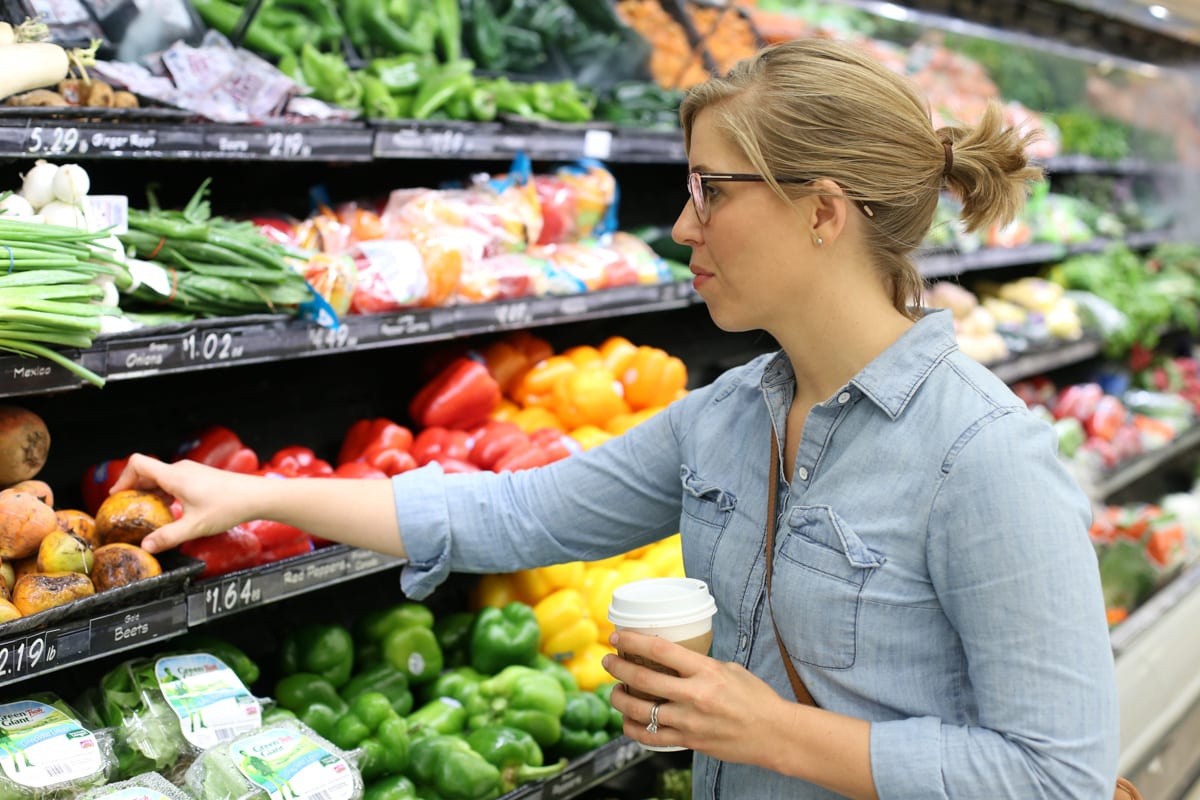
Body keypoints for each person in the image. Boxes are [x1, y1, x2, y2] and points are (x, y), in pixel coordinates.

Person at [114, 37, 1119, 800]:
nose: (682, 226)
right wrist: (243, 491)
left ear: (823, 211)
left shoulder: (983, 457)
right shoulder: (728, 416)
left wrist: (768, 730)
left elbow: (1059, 772)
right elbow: (509, 515)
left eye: (711, 192)